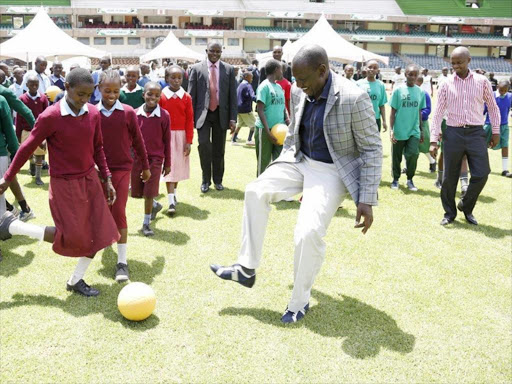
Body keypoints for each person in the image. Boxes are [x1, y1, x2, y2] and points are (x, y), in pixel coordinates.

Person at [210, 45, 382, 323]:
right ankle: (246, 268)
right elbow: (294, 132)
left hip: (331, 170)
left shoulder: (354, 97)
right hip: (299, 159)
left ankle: (299, 301)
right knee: (255, 190)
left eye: (303, 80)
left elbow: (372, 149)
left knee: (308, 232)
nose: (298, 86)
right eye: (296, 80)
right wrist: (281, 163)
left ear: (322, 71)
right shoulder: (301, 90)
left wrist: (367, 198)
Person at [0, 68, 119, 297]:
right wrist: (7, 178)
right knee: (73, 237)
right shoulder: (50, 116)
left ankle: (76, 280)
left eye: (88, 95)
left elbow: (98, 148)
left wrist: (107, 178)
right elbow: (26, 148)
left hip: (90, 181)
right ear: (66, 87)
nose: (84, 100)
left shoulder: (93, 113)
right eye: (79, 95)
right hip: (64, 185)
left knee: (101, 233)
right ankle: (15, 227)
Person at [430, 47, 501, 226]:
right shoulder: (446, 83)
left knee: (482, 173)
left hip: (476, 132)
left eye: (459, 62)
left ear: (468, 60)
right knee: (449, 178)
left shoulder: (481, 81)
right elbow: (438, 112)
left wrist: (496, 131)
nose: (456, 66)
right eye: (453, 63)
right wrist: (433, 139)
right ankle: (449, 213)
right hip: (453, 132)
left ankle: (466, 206)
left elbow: (493, 107)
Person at [97, 70, 150, 281]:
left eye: (116, 91)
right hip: (98, 171)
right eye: (107, 90)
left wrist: (145, 167)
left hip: (121, 169)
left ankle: (122, 262)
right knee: (102, 210)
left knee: (118, 210)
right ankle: (101, 242)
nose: (111, 94)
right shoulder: (91, 112)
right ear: (98, 88)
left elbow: (138, 142)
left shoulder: (128, 112)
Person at [188, 42, 237, 193]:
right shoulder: (196, 69)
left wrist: (233, 118)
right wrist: (190, 119)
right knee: (204, 145)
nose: (215, 54)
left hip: (221, 114)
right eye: (212, 51)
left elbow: (232, 96)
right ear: (206, 51)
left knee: (219, 149)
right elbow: (191, 95)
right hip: (203, 114)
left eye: (218, 51)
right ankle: (205, 180)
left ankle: (218, 180)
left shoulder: (228, 69)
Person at [133, 82, 171, 236]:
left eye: (156, 95)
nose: (152, 98)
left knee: (149, 192)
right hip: (137, 159)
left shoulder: (164, 116)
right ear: (143, 94)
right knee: (137, 192)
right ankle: (155, 206)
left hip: (155, 159)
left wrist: (168, 163)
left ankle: (146, 223)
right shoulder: (134, 114)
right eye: (149, 94)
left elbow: (167, 140)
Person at [159, 65, 194, 215]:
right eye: (172, 77)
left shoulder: (186, 97)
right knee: (169, 167)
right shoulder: (161, 96)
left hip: (181, 136)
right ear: (166, 79)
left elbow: (189, 120)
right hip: (166, 136)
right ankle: (171, 200)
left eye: (179, 78)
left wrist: (189, 141)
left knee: (178, 167)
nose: (176, 80)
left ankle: (173, 193)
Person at [389, 64, 425, 192]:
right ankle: (395, 179)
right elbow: (393, 112)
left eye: (415, 75)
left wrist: (421, 130)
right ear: (406, 75)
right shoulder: (398, 90)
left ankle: (410, 179)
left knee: (413, 154)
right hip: (399, 129)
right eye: (410, 74)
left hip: (413, 130)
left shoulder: (420, 91)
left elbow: (419, 111)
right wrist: (392, 130)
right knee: (396, 156)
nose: (413, 77)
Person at [254, 59, 289, 177]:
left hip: (280, 131)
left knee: (279, 163)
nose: (282, 73)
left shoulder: (279, 87)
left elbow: (283, 107)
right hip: (265, 131)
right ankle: (259, 191)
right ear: (276, 70)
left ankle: (275, 191)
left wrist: (287, 119)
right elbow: (260, 110)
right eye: (281, 70)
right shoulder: (264, 87)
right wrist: (268, 131)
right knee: (263, 163)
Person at [16, 75, 49, 186]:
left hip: (39, 131)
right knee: (28, 153)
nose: (34, 86)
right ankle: (31, 163)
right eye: (31, 84)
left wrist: (46, 133)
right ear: (27, 85)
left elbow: (47, 115)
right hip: (26, 130)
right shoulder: (22, 99)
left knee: (39, 154)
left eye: (36, 84)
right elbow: (19, 118)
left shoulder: (43, 98)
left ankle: (38, 177)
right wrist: (17, 135)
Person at [483, 80, 512, 178]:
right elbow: (483, 110)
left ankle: (505, 169)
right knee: (483, 146)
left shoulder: (510, 97)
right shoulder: (491, 96)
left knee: (505, 145)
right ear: (497, 87)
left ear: (508, 89)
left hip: (503, 126)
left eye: (505, 90)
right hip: (489, 125)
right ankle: (483, 167)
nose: (502, 92)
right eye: (501, 90)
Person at [356, 60, 388, 132]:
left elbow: (381, 105)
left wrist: (384, 121)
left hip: (375, 119)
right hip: (361, 119)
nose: (372, 69)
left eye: (374, 68)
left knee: (375, 142)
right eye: (370, 67)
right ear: (366, 68)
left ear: (378, 70)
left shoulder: (381, 85)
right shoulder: (358, 84)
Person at [416, 76, 436, 172]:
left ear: (419, 82)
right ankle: (407, 166)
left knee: (424, 144)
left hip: (422, 123)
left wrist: (417, 115)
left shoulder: (424, 94)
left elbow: (427, 110)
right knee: (408, 146)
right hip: (409, 123)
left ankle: (432, 162)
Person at [234, 71, 256, 146]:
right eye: (251, 77)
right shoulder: (248, 85)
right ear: (246, 77)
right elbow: (252, 96)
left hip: (238, 108)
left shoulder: (240, 85)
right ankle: (249, 140)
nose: (252, 79)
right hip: (245, 109)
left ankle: (234, 140)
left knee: (239, 124)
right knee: (254, 124)